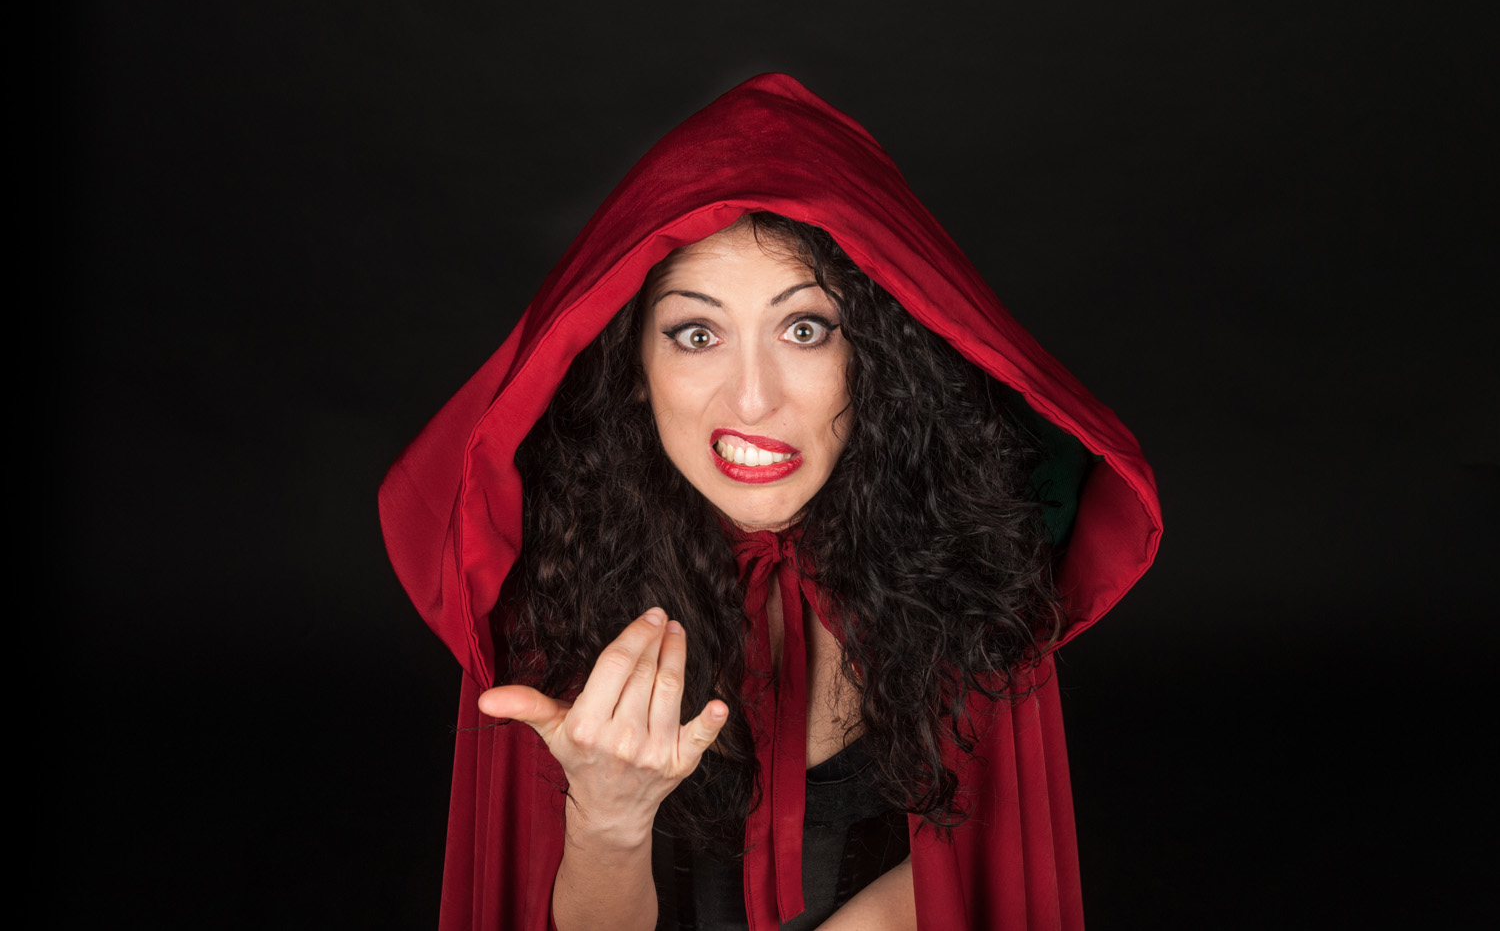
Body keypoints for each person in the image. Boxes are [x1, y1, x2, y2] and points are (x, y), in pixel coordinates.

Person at [380, 74, 1162, 931]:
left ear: (874, 356)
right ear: (635, 370)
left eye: (804, 329)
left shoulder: (971, 557)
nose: (752, 400)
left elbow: (984, 871)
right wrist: (607, 823)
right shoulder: (555, 584)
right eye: (697, 334)